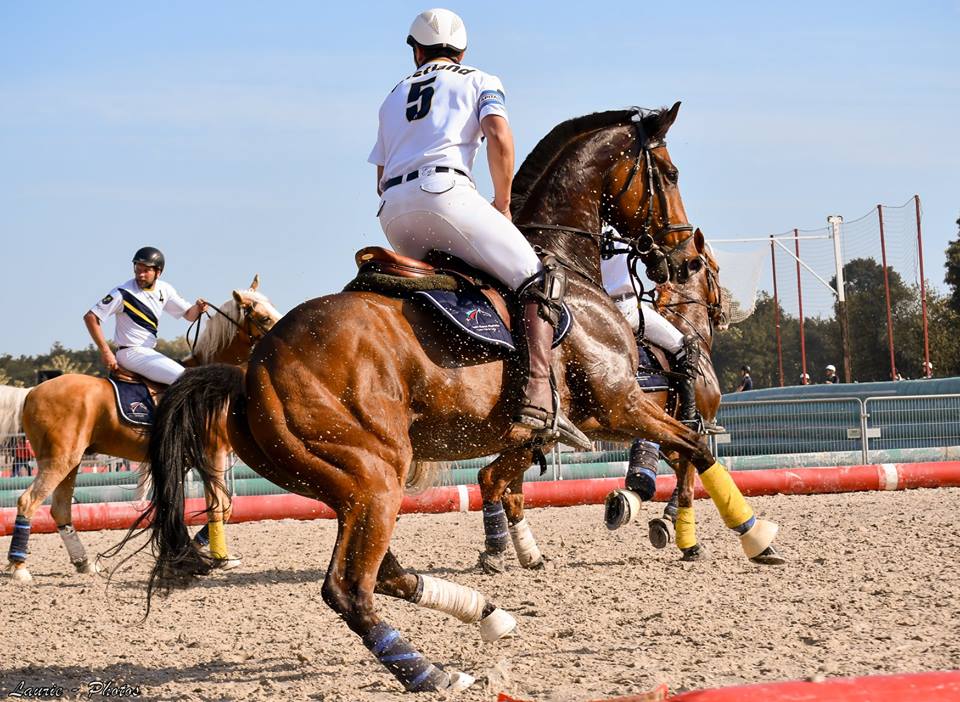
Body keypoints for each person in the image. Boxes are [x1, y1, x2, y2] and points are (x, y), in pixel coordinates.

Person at [368, 8, 588, 449]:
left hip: (392, 212)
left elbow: (378, 175)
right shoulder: (481, 79)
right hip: (447, 195)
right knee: (539, 279)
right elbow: (499, 136)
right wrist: (503, 203)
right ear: (462, 50)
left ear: (415, 52)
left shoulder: (391, 96)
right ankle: (539, 396)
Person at [600, 248, 702, 428]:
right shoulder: (624, 226)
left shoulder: (585, 225)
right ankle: (689, 416)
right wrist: (661, 280)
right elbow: (653, 260)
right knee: (688, 347)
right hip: (628, 308)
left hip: (598, 308)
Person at [83, 247, 208, 385]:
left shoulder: (165, 289)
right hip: (130, 353)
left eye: (146, 271)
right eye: (138, 270)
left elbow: (189, 315)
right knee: (185, 379)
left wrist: (198, 308)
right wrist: (106, 352)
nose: (140, 275)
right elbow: (91, 317)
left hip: (147, 353)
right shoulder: (122, 293)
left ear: (158, 272)